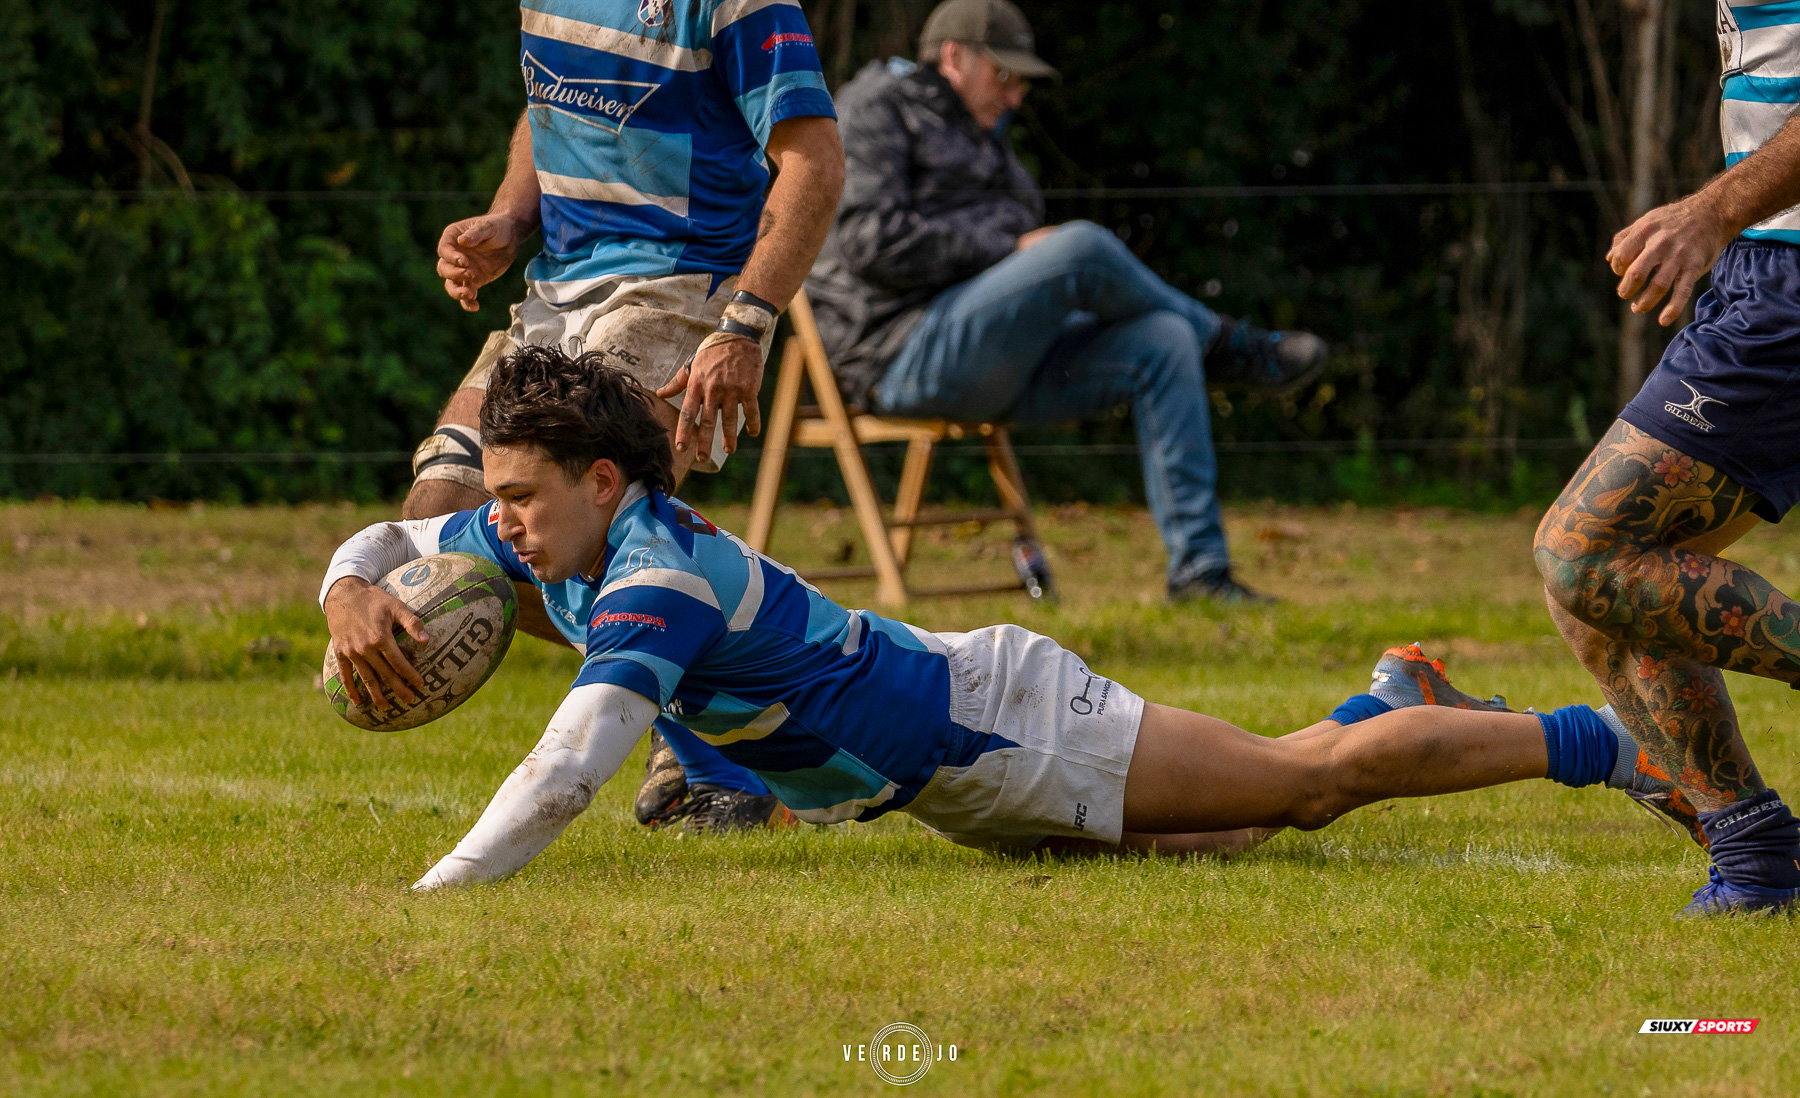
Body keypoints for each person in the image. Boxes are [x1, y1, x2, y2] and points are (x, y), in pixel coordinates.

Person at [321, 345, 1670, 890]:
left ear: (601, 480)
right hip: (958, 778)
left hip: (1004, 720)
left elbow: (567, 767)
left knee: (1303, 791)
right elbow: (390, 534)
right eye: (491, 499)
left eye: (513, 496)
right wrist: (350, 589)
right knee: (1242, 825)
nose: (490, 523)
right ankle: (1400, 694)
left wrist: (438, 898)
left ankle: (1613, 742)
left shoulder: (653, 575)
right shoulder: (547, 535)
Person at [405, 0, 846, 834]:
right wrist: (509, 217)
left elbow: (814, 162)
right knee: (439, 517)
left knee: (592, 526)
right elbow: (553, 100)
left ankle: (738, 753)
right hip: (556, 291)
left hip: (682, 291)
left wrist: (747, 322)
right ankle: (716, 725)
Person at [803, 0, 1329, 606]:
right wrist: (1006, 244)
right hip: (900, 351)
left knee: (1163, 338)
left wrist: (1011, 247)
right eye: (1004, 75)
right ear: (954, 57)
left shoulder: (982, 136)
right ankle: (1232, 346)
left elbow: (1021, 220)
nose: (1015, 95)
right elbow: (872, 242)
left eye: (1022, 81)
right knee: (1080, 247)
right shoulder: (875, 109)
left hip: (992, 351)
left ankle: (1201, 574)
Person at [1534, 5, 1800, 915]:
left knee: (1585, 551)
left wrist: (1714, 208)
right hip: (1764, 267)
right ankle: (1759, 862)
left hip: (1788, 275)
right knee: (1593, 594)